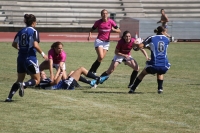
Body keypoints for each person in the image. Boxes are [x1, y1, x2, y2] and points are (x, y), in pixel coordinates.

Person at [5, 14, 48, 102]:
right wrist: (43, 54)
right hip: (30, 58)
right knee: (36, 80)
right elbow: (35, 45)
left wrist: (20, 49)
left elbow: (14, 44)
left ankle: (9, 97)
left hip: (20, 58)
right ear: (33, 22)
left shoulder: (21, 31)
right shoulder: (34, 31)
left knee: (19, 79)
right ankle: (24, 84)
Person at [129, 26, 171, 94]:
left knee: (143, 73)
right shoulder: (167, 39)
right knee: (160, 71)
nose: (166, 33)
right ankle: (160, 89)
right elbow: (157, 48)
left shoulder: (151, 38)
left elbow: (140, 46)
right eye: (166, 32)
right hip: (164, 65)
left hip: (154, 64)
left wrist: (136, 44)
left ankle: (132, 88)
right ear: (163, 32)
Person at [87, 9, 121, 74]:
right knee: (101, 56)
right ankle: (93, 71)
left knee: (100, 59)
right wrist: (90, 35)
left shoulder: (111, 22)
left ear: (107, 14)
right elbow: (92, 29)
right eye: (103, 13)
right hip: (99, 41)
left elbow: (119, 30)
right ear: (101, 15)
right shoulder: (98, 22)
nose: (104, 15)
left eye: (106, 13)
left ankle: (91, 71)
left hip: (107, 42)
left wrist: (114, 30)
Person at [36, 66, 109, 90]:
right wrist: (61, 73)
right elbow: (55, 82)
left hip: (65, 83)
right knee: (81, 69)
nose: (44, 74)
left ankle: (91, 82)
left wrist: (59, 70)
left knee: (72, 72)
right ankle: (98, 78)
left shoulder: (44, 81)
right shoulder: (43, 82)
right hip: (66, 85)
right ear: (39, 76)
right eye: (42, 73)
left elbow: (55, 81)